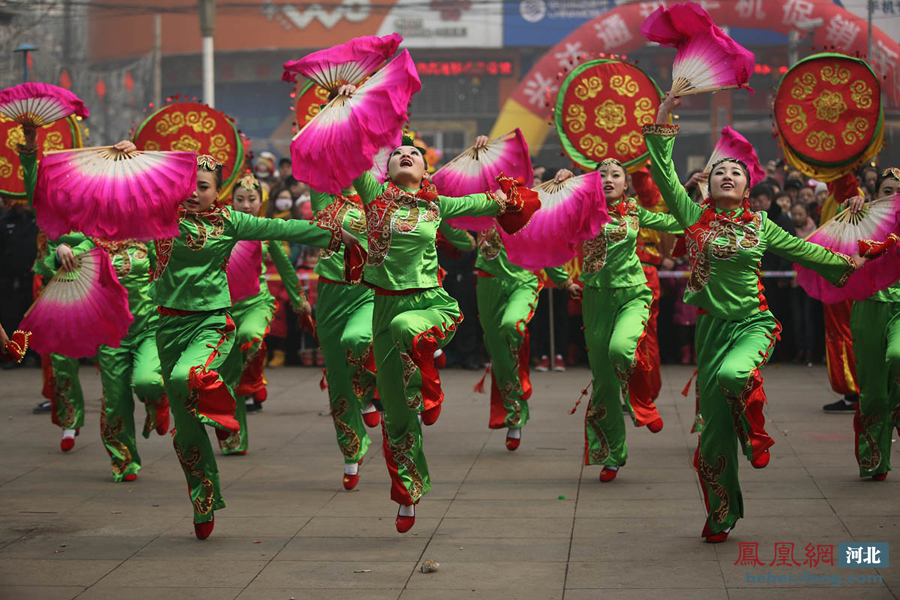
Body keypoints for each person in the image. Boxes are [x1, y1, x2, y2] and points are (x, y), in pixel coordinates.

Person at [648, 93, 863, 543]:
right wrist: (665, 114)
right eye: (721, 172)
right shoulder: (694, 218)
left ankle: (755, 431)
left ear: (749, 188)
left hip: (752, 325)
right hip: (710, 330)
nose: (728, 176)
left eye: (737, 173)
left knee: (734, 373)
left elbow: (806, 251)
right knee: (711, 439)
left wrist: (853, 263)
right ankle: (721, 513)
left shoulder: (762, 226)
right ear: (709, 183)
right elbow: (665, 175)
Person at [333, 99, 537, 532]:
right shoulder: (373, 200)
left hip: (430, 306)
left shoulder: (437, 205)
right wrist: (348, 106)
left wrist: (488, 158)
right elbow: (350, 153)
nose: (406, 155)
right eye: (397, 155)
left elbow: (491, 200)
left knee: (409, 327)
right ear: (384, 172)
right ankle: (408, 489)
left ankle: (432, 386)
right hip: (384, 311)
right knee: (397, 415)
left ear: (428, 172)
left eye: (416, 155)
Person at [153, 155, 352, 539]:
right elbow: (111, 201)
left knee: (185, 375)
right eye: (188, 184)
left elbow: (283, 229)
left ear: (218, 192)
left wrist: (331, 234)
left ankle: (226, 407)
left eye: (204, 186)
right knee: (187, 431)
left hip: (210, 323)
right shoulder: (159, 216)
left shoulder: (231, 222)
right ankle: (204, 498)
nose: (194, 192)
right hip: (166, 327)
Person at [50, 143, 171, 480]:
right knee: (115, 400)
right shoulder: (92, 240)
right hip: (111, 334)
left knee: (147, 381)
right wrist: (61, 249)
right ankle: (124, 460)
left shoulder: (151, 233)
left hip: (148, 326)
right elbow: (58, 256)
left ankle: (156, 400)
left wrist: (138, 156)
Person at [578, 158, 682, 482]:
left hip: (633, 295)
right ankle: (613, 453)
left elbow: (675, 223)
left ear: (626, 183)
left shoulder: (636, 212)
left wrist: (704, 210)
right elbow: (549, 232)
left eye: (615, 175)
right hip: (595, 300)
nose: (608, 179)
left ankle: (643, 403)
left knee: (622, 349)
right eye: (602, 175)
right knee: (605, 384)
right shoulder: (581, 210)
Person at [473, 169, 579, 451]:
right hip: (488, 285)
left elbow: (545, 247)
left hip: (523, 281)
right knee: (498, 353)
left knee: (512, 326)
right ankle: (513, 413)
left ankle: (521, 373)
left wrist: (564, 281)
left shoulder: (530, 211)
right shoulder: (479, 207)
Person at [219, 173, 313, 455]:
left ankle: (255, 379)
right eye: (240, 199)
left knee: (251, 336)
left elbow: (284, 266)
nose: (246, 205)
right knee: (227, 377)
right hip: (223, 308)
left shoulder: (265, 229)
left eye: (252, 199)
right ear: (230, 201)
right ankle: (234, 439)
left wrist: (300, 299)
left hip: (256, 303)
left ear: (262, 201)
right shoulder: (219, 229)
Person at [17, 125, 87, 450]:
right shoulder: (44, 203)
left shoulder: (96, 202)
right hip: (56, 285)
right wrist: (30, 146)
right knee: (60, 360)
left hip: (93, 284)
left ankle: (144, 402)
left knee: (118, 364)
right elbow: (32, 178)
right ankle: (69, 422)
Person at [309, 179, 379, 490]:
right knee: (337, 381)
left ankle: (366, 391)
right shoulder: (323, 196)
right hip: (329, 297)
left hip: (367, 291)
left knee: (357, 339)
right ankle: (352, 450)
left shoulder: (374, 192)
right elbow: (311, 150)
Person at [850, 168, 900, 480]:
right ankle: (873, 460)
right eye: (887, 191)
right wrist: (852, 206)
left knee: (897, 356)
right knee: (873, 393)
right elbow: (839, 234)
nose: (894, 197)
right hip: (868, 307)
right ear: (875, 195)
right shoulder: (862, 219)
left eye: (899, 190)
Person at [789, 202, 818, 365]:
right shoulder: (789, 231)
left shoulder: (816, 230)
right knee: (797, 318)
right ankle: (799, 350)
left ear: (807, 214)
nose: (797, 217)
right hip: (794, 282)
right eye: (794, 214)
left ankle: (810, 351)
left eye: (800, 214)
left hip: (810, 282)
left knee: (808, 318)